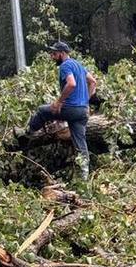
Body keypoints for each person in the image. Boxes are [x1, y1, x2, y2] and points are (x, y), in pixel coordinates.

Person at [27, 42, 97, 180]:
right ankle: (84, 178)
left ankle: (27, 132)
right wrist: (86, 101)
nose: (52, 57)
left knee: (42, 111)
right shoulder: (79, 65)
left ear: (62, 53)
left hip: (72, 109)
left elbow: (71, 84)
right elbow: (93, 82)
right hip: (83, 111)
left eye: (54, 54)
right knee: (80, 144)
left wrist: (59, 102)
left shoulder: (65, 66)